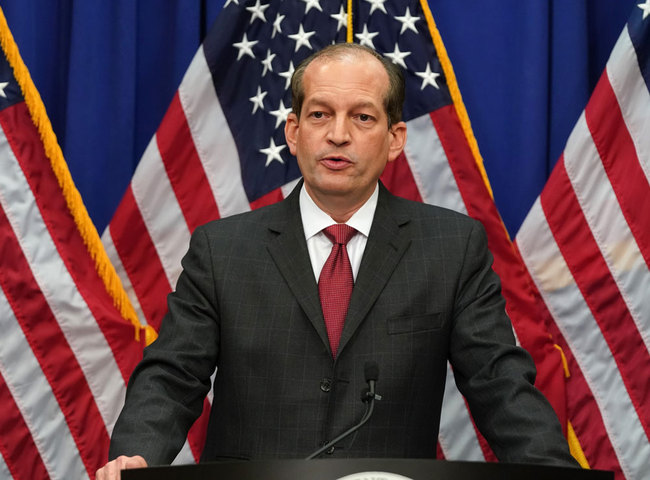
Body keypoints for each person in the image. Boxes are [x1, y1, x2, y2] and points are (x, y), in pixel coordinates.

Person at [96, 43, 578, 479]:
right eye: (320, 115)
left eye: (363, 118)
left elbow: (498, 381)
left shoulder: (452, 247)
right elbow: (172, 375)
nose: (338, 135)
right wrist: (138, 455)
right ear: (293, 131)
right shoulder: (222, 250)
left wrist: (552, 471)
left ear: (395, 138)